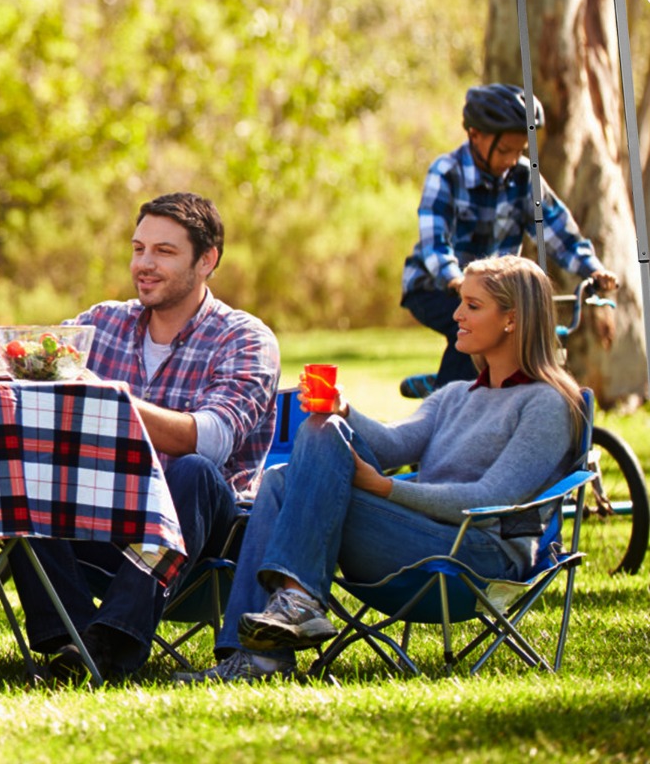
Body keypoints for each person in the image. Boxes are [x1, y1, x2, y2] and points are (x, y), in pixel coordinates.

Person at [176, 254, 584, 685]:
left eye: (473, 305)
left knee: (287, 478)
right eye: (461, 302)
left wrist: (386, 489)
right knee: (298, 454)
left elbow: (490, 498)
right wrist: (343, 409)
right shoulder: (456, 395)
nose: (457, 315)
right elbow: (391, 445)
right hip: (416, 539)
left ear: (512, 320)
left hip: (477, 557)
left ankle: (285, 619)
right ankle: (273, 634)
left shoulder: (547, 404)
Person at [7, 192, 280, 682]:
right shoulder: (100, 323)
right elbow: (28, 369)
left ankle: (109, 643)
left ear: (207, 260)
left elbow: (210, 441)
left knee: (192, 469)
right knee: (22, 469)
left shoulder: (245, 337)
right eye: (138, 249)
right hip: (101, 513)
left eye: (164, 252)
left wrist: (110, 400)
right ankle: (70, 640)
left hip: (201, 528)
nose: (144, 265)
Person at [401, 82, 617, 396]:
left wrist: (591, 269)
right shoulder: (446, 173)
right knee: (472, 325)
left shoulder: (523, 178)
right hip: (433, 286)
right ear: (475, 135)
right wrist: (456, 280)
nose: (511, 159)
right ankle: (446, 399)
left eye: (519, 151)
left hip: (493, 292)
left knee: (515, 338)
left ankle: (474, 395)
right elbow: (435, 241)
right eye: (504, 150)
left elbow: (556, 228)